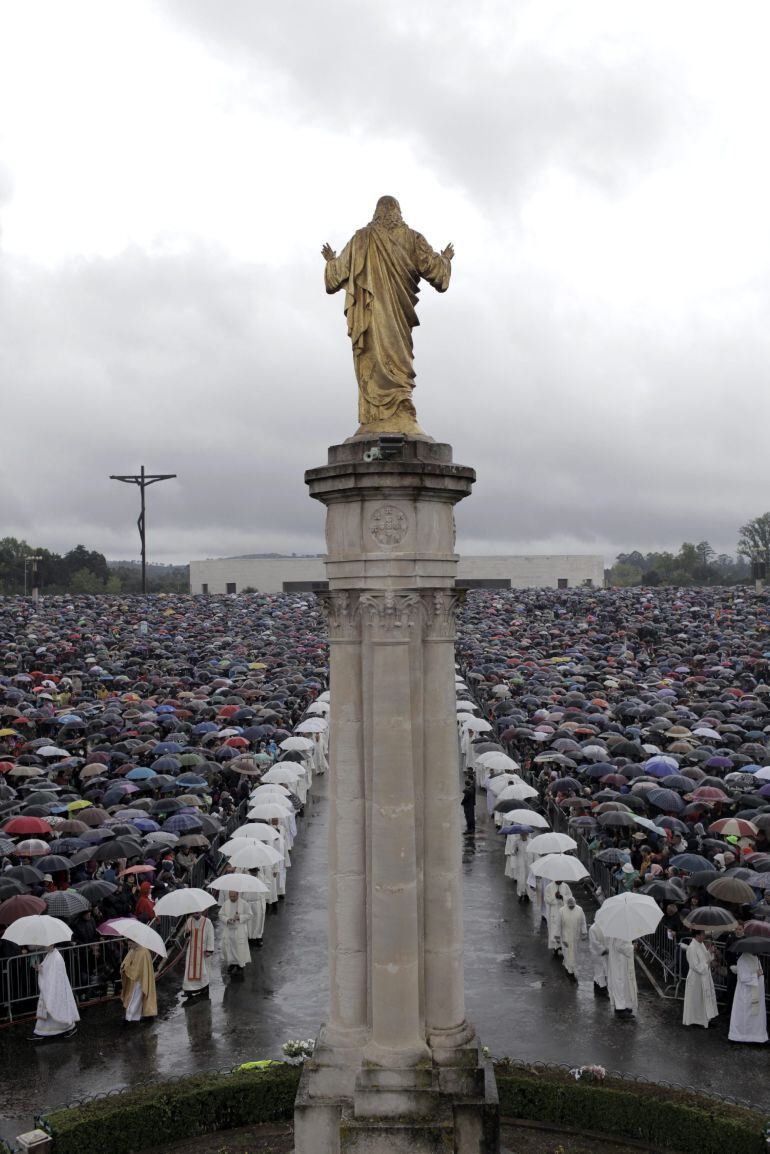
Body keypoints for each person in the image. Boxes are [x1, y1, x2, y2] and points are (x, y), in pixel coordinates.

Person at [322, 195, 454, 437]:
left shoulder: (362, 238)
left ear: (376, 213)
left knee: (373, 356)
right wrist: (445, 259)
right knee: (398, 358)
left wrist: (330, 262)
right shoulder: (412, 238)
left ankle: (384, 416)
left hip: (372, 316)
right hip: (397, 320)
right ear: (398, 213)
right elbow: (437, 273)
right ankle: (393, 412)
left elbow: (336, 275)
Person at [33, 946, 79, 1041]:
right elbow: (47, 969)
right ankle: (43, 1031)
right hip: (51, 988)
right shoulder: (50, 954)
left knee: (57, 1010)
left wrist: (49, 986)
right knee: (55, 1011)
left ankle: (65, 1028)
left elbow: (55, 974)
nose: (44, 947)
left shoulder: (56, 956)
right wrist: (39, 968)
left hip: (55, 989)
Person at [728, 952, 768, 1044]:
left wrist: (760, 974)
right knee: (745, 1016)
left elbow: (759, 971)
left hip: (755, 992)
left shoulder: (755, 958)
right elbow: (743, 977)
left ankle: (756, 1036)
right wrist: (756, 975)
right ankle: (741, 1036)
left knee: (755, 1016)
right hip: (745, 994)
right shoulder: (742, 959)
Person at [682, 931, 718, 1028]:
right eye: (703, 935)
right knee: (696, 1000)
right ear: (697, 935)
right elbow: (694, 965)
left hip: (704, 976)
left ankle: (705, 1019)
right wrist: (707, 965)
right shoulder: (692, 947)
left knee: (703, 1000)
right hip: (696, 978)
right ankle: (695, 1020)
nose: (704, 936)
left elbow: (705, 958)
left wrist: (710, 952)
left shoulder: (701, 944)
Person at [120, 944, 157, 1023]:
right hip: (134, 980)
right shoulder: (132, 950)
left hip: (140, 980)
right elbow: (126, 962)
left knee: (135, 998)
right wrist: (123, 967)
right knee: (134, 998)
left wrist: (127, 969)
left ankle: (130, 1016)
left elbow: (137, 970)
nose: (129, 945)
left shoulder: (144, 953)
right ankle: (133, 1016)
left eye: (130, 943)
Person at [182, 912, 215, 1001]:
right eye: (194, 911)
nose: (196, 913)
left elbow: (211, 936)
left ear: (200, 911)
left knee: (203, 970)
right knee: (190, 969)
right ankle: (188, 989)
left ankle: (203, 987)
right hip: (192, 950)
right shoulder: (189, 921)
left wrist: (209, 949)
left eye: (197, 911)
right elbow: (185, 936)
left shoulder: (207, 922)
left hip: (202, 950)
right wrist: (187, 933)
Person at [555, 896, 587, 982]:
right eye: (570, 906)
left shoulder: (579, 910)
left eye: (573, 906)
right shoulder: (562, 911)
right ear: (567, 905)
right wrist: (557, 936)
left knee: (574, 954)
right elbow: (558, 924)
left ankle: (569, 966)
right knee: (567, 953)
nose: (572, 907)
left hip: (576, 937)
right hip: (565, 938)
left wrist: (584, 932)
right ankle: (570, 972)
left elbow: (583, 921)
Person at [220, 890, 251, 974]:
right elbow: (221, 915)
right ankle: (232, 964)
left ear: (238, 895)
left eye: (233, 896)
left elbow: (249, 915)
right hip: (229, 929)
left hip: (239, 929)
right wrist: (227, 920)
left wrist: (240, 917)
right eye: (230, 896)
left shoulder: (244, 904)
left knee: (239, 948)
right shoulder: (226, 903)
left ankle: (240, 965)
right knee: (229, 947)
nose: (231, 898)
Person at [606, 937, 638, 1018]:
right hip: (619, 961)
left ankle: (625, 1006)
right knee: (620, 983)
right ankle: (620, 1009)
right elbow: (619, 946)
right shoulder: (619, 930)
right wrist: (632, 947)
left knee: (624, 984)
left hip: (621, 961)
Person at [544, 880, 572, 955]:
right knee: (554, 929)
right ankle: (555, 947)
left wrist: (562, 897)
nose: (560, 881)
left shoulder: (566, 887)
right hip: (553, 912)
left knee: (563, 929)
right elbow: (546, 899)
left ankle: (561, 946)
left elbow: (570, 898)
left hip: (563, 912)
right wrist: (554, 897)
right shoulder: (549, 887)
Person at [588, 920, 609, 998]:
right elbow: (594, 942)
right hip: (596, 953)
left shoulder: (606, 926)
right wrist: (602, 949)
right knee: (599, 971)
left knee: (603, 970)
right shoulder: (593, 928)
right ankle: (602, 989)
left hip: (605, 953)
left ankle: (598, 986)